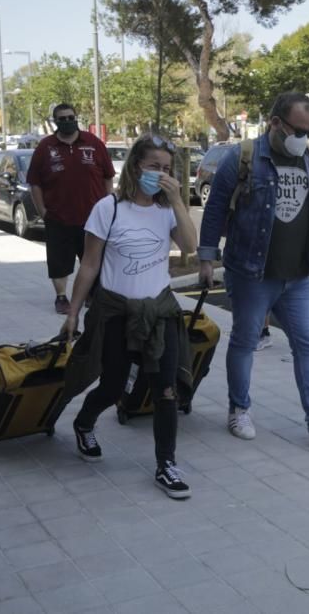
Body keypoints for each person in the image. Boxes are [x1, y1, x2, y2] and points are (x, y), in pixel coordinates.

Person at [197, 92, 309, 448]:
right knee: (244, 341)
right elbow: (215, 210)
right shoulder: (242, 158)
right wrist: (207, 259)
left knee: (308, 345)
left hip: (298, 275)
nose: (303, 138)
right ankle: (238, 409)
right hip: (252, 272)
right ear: (274, 123)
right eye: (298, 130)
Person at [61, 135, 197, 499]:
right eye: (154, 166)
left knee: (165, 390)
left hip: (159, 313)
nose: (161, 174)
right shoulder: (109, 208)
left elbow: (189, 246)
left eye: (167, 169)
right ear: (136, 166)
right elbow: (89, 265)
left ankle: (166, 464)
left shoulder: (167, 209)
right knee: (112, 384)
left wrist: (179, 200)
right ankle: (84, 422)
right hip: (117, 312)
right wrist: (73, 313)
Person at [28, 104, 116, 314]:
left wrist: (108, 206)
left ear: (76, 118)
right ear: (55, 121)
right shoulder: (45, 147)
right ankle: (61, 297)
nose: (67, 121)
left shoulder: (93, 143)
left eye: (70, 117)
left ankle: (92, 294)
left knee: (94, 258)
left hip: (93, 218)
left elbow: (108, 177)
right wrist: (43, 211)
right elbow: (35, 183)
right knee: (59, 262)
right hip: (58, 217)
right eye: (62, 118)